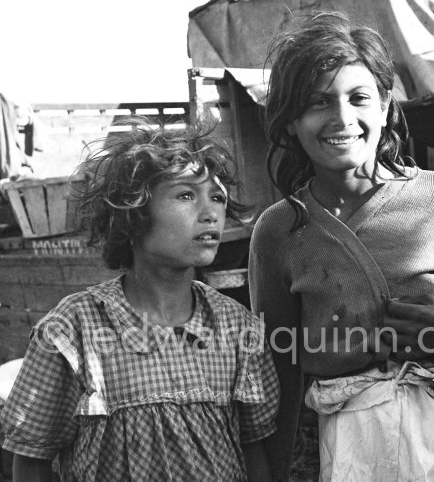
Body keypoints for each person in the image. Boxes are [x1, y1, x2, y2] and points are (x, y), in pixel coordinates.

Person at [248, 12, 434, 481]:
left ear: (383, 107)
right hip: (355, 445)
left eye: (358, 97)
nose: (342, 117)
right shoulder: (278, 231)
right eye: (318, 102)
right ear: (291, 121)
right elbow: (276, 361)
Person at [0, 119, 280, 482]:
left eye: (217, 197)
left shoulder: (236, 326)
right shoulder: (72, 329)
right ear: (132, 212)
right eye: (185, 196)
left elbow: (253, 447)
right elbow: (32, 459)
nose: (211, 212)